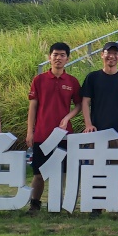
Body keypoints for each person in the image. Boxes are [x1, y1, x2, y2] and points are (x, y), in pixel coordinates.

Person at [82, 41, 118, 216]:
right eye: (108, 53)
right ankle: (96, 206)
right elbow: (85, 102)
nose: (111, 56)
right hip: (97, 133)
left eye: (115, 53)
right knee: (97, 170)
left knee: (117, 172)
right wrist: (88, 124)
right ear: (102, 55)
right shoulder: (92, 77)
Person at [26, 42, 82, 214]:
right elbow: (33, 106)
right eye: (55, 55)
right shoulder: (39, 80)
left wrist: (67, 117)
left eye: (62, 55)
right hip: (42, 134)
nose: (58, 58)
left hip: (64, 136)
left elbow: (79, 105)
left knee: (62, 172)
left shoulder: (72, 81)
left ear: (68, 58)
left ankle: (58, 204)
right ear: (49, 57)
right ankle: (34, 204)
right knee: (39, 173)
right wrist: (30, 131)